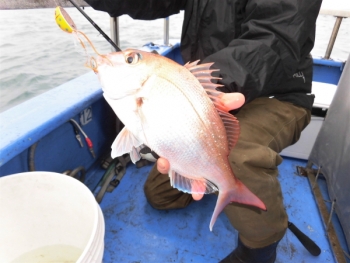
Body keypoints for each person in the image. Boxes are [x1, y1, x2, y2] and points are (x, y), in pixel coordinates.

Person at [85, 0, 322, 262]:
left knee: (238, 156)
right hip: (202, 97)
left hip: (275, 93)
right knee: (159, 194)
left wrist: (204, 90)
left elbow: (278, 37)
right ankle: (216, 180)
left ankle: (260, 248)